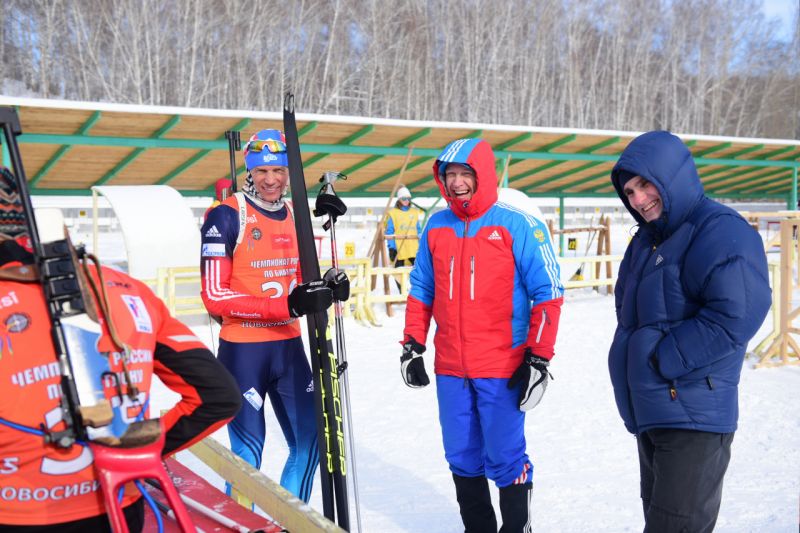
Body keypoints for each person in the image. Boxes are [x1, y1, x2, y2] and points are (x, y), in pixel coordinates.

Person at [0, 204, 242, 531]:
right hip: (120, 506)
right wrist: (136, 448)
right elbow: (219, 397)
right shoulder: (131, 291)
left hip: (18, 511)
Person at [608, 131, 771, 532]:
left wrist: (663, 360)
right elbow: (629, 312)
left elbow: (738, 312)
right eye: (629, 192)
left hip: (693, 416)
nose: (639, 199)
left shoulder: (718, 230)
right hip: (654, 411)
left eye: (645, 184)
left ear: (671, 175)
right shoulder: (646, 241)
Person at [400, 138, 564, 532]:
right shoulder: (436, 225)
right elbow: (422, 287)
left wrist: (538, 358)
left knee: (505, 456)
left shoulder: (516, 223)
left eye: (465, 174)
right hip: (451, 366)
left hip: (502, 364)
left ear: (483, 175)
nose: (457, 182)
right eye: (450, 175)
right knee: (460, 455)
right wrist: (412, 345)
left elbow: (548, 292)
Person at [200, 128, 335, 504]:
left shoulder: (293, 214)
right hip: (244, 351)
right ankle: (242, 526)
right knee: (247, 457)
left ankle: (289, 524)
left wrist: (329, 285)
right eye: (261, 171)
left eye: (278, 170)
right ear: (250, 171)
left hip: (289, 348)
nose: (271, 179)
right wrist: (284, 306)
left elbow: (302, 280)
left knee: (310, 445)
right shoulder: (227, 215)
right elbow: (214, 295)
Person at [385, 185, 422, 268]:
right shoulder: (393, 213)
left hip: (413, 248)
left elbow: (418, 230)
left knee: (417, 271)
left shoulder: (414, 212)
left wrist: (421, 244)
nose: (406, 201)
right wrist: (392, 247)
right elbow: (389, 232)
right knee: (398, 273)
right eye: (404, 198)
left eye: (408, 198)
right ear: (399, 199)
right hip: (399, 248)